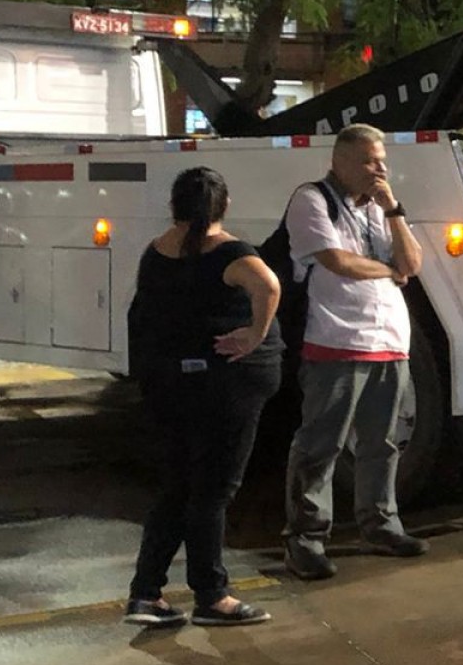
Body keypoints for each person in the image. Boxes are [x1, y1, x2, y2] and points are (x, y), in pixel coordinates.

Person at [124, 167, 283, 628]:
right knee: (213, 490)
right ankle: (212, 595)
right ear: (224, 205)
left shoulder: (156, 252)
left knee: (177, 485)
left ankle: (146, 594)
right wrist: (255, 335)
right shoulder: (230, 253)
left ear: (173, 206)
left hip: (171, 385)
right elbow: (269, 286)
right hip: (222, 388)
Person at [282, 123, 428, 580]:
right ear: (339, 161)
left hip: (389, 343)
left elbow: (412, 264)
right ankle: (305, 540)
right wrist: (388, 270)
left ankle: (380, 525)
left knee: (382, 444)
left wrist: (394, 210)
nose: (378, 170)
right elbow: (336, 260)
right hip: (335, 341)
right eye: (368, 161)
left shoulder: (381, 209)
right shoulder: (312, 199)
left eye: (382, 161)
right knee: (320, 446)